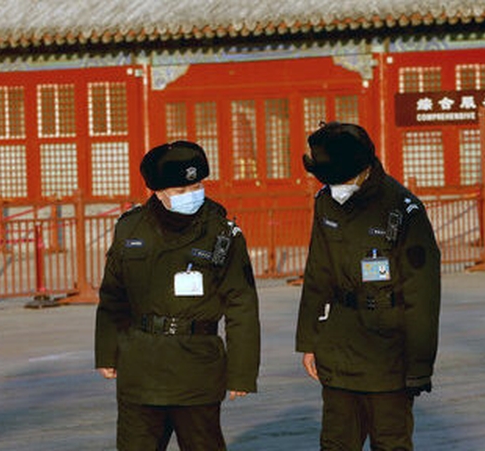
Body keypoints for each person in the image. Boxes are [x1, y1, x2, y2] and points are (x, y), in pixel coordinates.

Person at [95, 140, 261, 451]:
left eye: (196, 186)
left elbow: (242, 305)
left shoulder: (223, 233)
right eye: (180, 190)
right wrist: (107, 352)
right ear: (158, 192)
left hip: (196, 365)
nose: (192, 195)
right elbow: (112, 297)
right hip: (141, 363)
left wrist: (241, 372)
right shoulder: (130, 230)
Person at [295, 122, 441, 450]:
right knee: (336, 443)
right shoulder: (326, 201)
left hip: (388, 351)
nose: (331, 185)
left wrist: (419, 366)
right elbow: (317, 274)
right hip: (339, 343)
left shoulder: (404, 211)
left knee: (390, 443)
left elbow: (423, 295)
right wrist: (309, 340)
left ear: (360, 169)